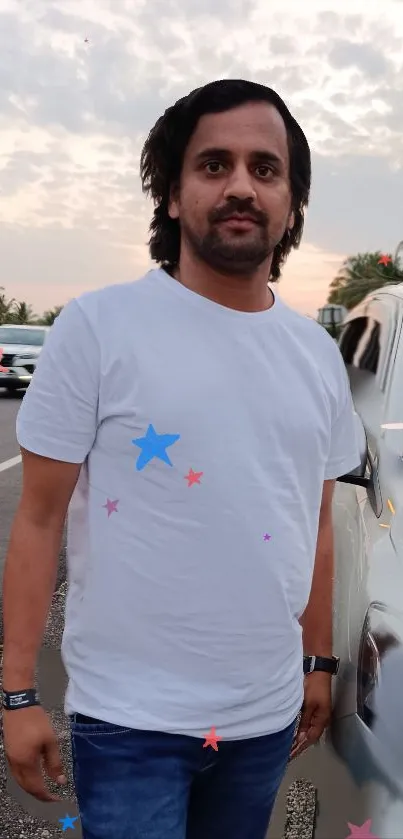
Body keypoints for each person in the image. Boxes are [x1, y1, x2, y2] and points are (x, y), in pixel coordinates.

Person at [2, 79, 361, 839]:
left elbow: (315, 522)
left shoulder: (316, 357)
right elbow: (36, 519)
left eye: (265, 169)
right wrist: (15, 693)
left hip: (262, 720)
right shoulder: (98, 329)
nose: (240, 185)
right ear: (171, 194)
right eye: (213, 165)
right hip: (129, 721)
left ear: (290, 203)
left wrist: (318, 662)